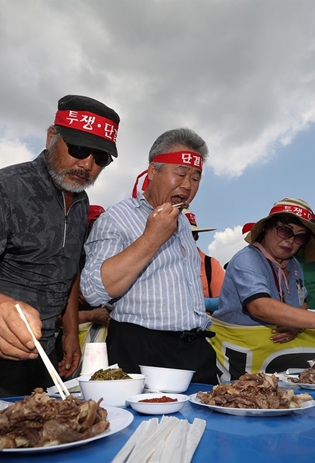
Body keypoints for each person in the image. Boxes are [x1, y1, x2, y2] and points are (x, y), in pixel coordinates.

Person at [0, 95, 120, 398]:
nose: (87, 164)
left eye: (101, 157)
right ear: (53, 136)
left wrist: (68, 333)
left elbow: (67, 271)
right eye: (78, 149)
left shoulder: (80, 201)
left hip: (47, 354)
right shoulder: (5, 187)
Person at [80, 128, 218, 384]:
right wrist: (151, 238)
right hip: (142, 351)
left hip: (195, 350)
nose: (187, 185)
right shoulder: (117, 218)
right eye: (180, 173)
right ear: (153, 171)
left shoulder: (184, 224)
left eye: (196, 178)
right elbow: (93, 291)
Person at [213, 198, 315, 342]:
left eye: (300, 236)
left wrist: (297, 325)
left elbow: (302, 301)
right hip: (239, 346)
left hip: (273, 346)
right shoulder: (246, 259)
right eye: (286, 231)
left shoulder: (294, 265)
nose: (291, 240)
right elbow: (259, 306)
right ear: (267, 228)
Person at [182, 209, 225, 308]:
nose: (184, 238)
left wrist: (193, 302)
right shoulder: (162, 261)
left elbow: (224, 301)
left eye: (190, 234)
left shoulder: (210, 264)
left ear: (196, 236)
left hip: (204, 321)